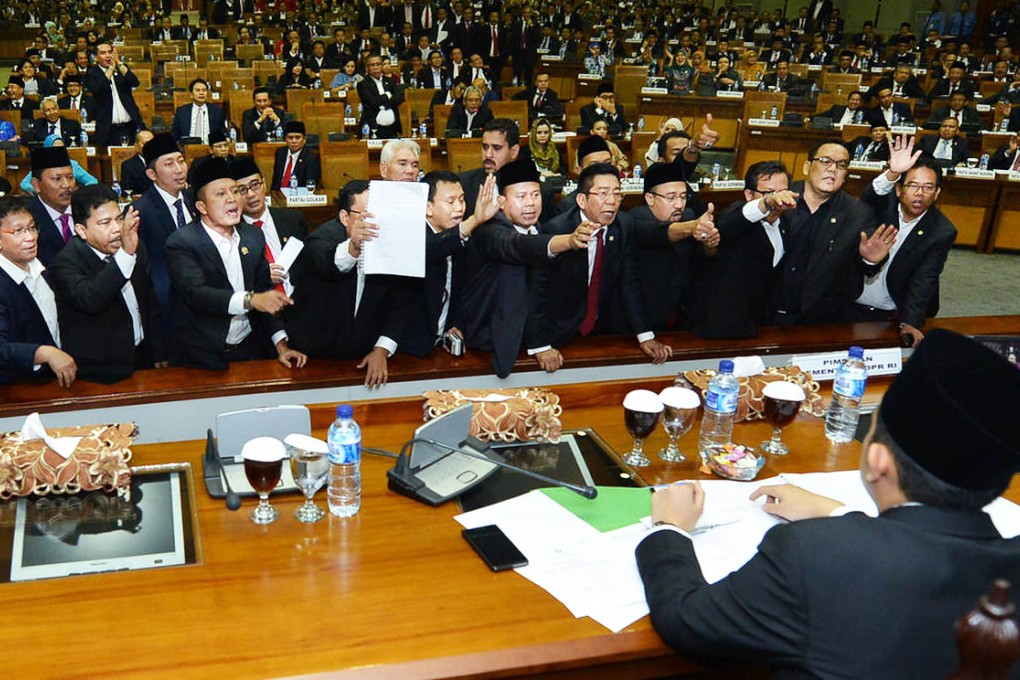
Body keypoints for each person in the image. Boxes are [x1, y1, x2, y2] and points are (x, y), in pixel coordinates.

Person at [636, 328, 1020, 680]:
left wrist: (668, 530)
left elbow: (688, 623)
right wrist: (838, 514)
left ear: (877, 461)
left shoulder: (811, 553)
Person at [528, 163, 672, 372]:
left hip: (602, 328)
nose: (612, 201)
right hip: (558, 329)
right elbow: (537, 292)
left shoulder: (623, 226)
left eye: (616, 193)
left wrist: (645, 335)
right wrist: (540, 344)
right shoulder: (557, 230)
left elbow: (629, 282)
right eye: (603, 194)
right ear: (581, 200)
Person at [166, 158, 306, 371]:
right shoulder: (182, 242)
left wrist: (282, 345)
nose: (232, 199)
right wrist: (251, 300)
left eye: (234, 191)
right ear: (202, 206)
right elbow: (196, 293)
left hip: (250, 349)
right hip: (201, 354)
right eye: (221, 194)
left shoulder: (253, 236)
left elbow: (264, 293)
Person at [458, 159, 591, 378]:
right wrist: (567, 241)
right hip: (489, 346)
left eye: (535, 195)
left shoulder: (539, 228)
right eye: (521, 197)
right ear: (501, 202)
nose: (530, 203)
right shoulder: (489, 232)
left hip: (531, 340)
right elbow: (518, 246)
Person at [747, 140, 896, 325]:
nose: (833, 169)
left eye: (841, 165)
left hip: (821, 319)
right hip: (763, 310)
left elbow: (861, 267)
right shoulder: (779, 197)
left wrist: (869, 259)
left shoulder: (858, 213)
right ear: (807, 167)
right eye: (825, 161)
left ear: (845, 175)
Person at [286, 179, 413, 387]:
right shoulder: (321, 239)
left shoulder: (390, 244)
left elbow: (400, 303)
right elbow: (330, 264)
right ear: (345, 217)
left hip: (363, 356)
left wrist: (382, 349)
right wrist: (354, 246)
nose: (373, 221)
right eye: (366, 215)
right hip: (312, 358)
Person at [48, 184, 165, 383]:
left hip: (142, 358)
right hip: (99, 371)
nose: (118, 229)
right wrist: (126, 256)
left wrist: (160, 351)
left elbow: (149, 302)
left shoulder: (135, 246)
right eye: (105, 223)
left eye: (119, 219)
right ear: (81, 230)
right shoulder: (65, 264)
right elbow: (92, 299)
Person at [851, 138, 958, 347]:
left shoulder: (941, 230)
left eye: (928, 188)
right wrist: (892, 173)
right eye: (913, 186)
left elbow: (925, 278)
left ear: (937, 193)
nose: (919, 194)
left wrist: (910, 322)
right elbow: (869, 197)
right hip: (850, 299)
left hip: (893, 310)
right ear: (899, 190)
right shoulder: (881, 205)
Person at [400, 170, 497, 358]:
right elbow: (434, 247)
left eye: (462, 200)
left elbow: (460, 291)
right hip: (408, 349)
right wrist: (475, 219)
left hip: (443, 345)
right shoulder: (411, 236)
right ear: (428, 207)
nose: (459, 208)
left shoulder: (463, 239)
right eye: (450, 201)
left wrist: (457, 324)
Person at [628, 161, 715, 333]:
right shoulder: (634, 219)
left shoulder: (688, 216)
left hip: (683, 317)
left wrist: (710, 243)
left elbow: (704, 260)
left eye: (683, 197)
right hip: (639, 321)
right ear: (650, 198)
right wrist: (692, 227)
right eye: (671, 197)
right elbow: (660, 233)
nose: (678, 204)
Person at [0, 195, 76, 386]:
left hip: (54, 380)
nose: (30, 237)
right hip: (17, 389)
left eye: (32, 228)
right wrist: (44, 353)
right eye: (18, 231)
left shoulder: (39, 267)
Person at [134, 133, 193, 338]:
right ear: (152, 174)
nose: (179, 169)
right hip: (168, 313)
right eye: (169, 164)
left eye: (181, 161)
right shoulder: (139, 212)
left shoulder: (194, 200)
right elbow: (143, 277)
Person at [233, 158, 307, 299]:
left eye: (255, 185)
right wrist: (263, 276)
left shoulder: (293, 219)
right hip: (261, 310)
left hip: (299, 303)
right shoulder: (233, 233)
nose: (251, 194)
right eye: (242, 190)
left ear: (264, 184)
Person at [84, 37, 142, 147]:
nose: (108, 56)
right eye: (103, 53)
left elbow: (135, 82)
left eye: (110, 52)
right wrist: (110, 69)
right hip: (108, 129)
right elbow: (99, 89)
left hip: (129, 126)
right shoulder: (92, 74)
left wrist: (119, 63)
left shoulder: (121, 69)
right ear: (96, 57)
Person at [27, 146, 76, 267]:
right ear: (36, 185)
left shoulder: (85, 209)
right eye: (57, 179)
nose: (66, 185)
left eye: (70, 178)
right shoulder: (28, 218)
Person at [20, 135, 97, 195]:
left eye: (61, 148)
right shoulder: (41, 164)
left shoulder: (73, 164)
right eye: (54, 149)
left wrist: (77, 192)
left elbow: (93, 181)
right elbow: (24, 184)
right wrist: (42, 191)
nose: (58, 152)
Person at [357, 53, 404, 139]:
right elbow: (372, 102)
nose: (375, 67)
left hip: (392, 129)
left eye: (378, 64)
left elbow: (399, 98)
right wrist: (387, 95)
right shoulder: (363, 84)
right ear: (367, 68)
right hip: (373, 129)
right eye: (372, 65)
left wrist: (385, 104)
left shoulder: (391, 81)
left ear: (382, 66)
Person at [170, 78, 226, 144]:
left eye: (204, 90)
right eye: (198, 90)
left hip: (210, 147)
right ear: (191, 94)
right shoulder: (181, 112)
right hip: (188, 148)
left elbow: (223, 131)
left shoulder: (217, 111)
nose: (201, 93)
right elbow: (174, 134)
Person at [269, 121, 321, 191]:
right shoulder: (280, 153)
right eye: (290, 138)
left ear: (304, 139)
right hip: (278, 195)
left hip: (298, 196)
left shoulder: (311, 157)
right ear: (286, 139)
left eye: (297, 138)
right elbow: (275, 181)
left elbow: (310, 185)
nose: (294, 141)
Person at [119, 129, 154, 197]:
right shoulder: (128, 165)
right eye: (145, 143)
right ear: (136, 146)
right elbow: (126, 191)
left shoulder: (163, 162)